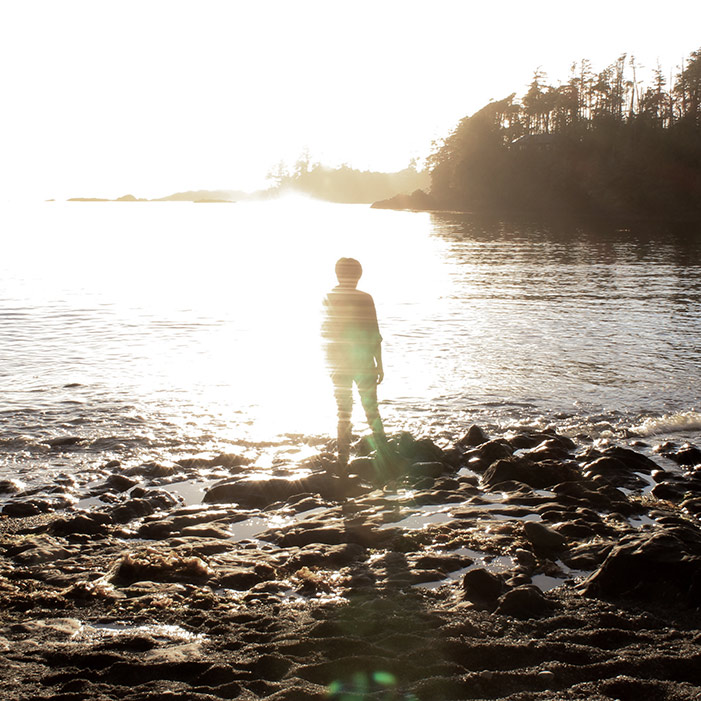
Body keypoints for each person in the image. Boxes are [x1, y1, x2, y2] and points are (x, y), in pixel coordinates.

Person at [322, 257, 387, 469]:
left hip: (338, 364)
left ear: (337, 274)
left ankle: (343, 458)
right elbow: (374, 333)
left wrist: (329, 363)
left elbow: (325, 332)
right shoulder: (366, 298)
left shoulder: (328, 297)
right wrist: (379, 364)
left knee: (343, 412)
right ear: (358, 276)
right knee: (371, 409)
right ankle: (384, 454)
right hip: (363, 361)